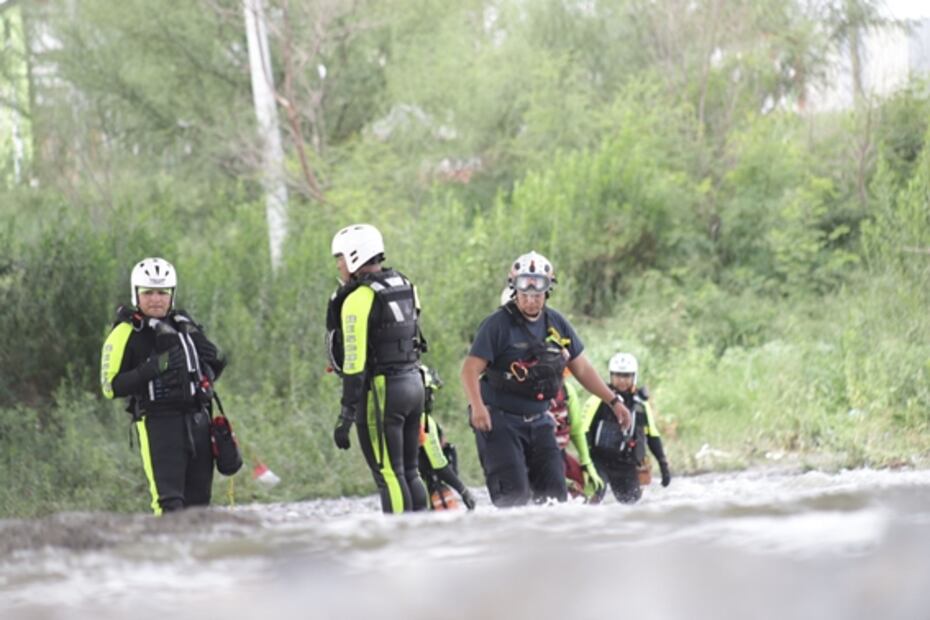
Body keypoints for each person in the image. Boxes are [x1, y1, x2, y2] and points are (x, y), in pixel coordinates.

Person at [461, 251, 632, 507]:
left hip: (541, 422)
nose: (530, 299)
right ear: (514, 288)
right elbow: (470, 370)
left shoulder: (557, 324)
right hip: (500, 423)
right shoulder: (496, 325)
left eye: (537, 293)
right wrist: (477, 406)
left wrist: (614, 401)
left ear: (548, 290)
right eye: (524, 293)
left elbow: (582, 369)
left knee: (555, 501)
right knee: (513, 500)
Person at [100, 257, 226, 515]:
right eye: (148, 292)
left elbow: (212, 362)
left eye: (162, 292)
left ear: (172, 294)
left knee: (200, 504)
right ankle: (169, 554)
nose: (156, 299)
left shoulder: (183, 324)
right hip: (158, 423)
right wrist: (153, 368)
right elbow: (110, 386)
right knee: (169, 504)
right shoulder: (124, 333)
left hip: (198, 420)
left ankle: (199, 554)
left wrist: (208, 371)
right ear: (136, 294)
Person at [326, 224, 429, 514]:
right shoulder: (405, 284)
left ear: (356, 256)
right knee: (411, 471)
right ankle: (423, 535)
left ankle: (399, 541)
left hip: (383, 393)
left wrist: (346, 413)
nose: (339, 264)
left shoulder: (358, 299)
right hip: (413, 385)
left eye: (341, 257)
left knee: (388, 473)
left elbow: (354, 362)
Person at [581, 352, 671, 504]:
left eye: (626, 376)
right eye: (618, 376)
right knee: (596, 494)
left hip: (625, 463)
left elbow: (652, 436)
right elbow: (582, 431)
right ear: (611, 376)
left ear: (633, 377)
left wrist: (663, 465)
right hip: (598, 460)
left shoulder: (641, 405)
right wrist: (585, 462)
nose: (622, 381)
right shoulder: (597, 399)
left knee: (632, 504)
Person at [417, 365, 477, 510]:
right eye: (430, 392)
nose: (432, 397)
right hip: (418, 490)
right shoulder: (424, 422)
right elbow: (439, 464)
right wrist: (463, 491)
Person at [547, 372, 604, 501]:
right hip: (535, 457)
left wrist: (586, 464)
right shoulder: (528, 391)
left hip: (560, 455)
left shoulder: (567, 391)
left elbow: (576, 430)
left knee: (590, 489)